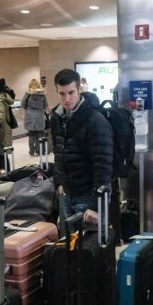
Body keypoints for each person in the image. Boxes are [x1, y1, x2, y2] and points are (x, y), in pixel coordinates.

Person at [51, 69, 113, 226]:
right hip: (66, 194)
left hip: (88, 196)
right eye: (62, 93)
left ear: (79, 89)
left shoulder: (94, 119)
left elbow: (103, 165)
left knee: (87, 247)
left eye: (71, 92)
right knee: (67, 245)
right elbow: (58, 152)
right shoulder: (57, 117)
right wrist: (58, 182)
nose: (67, 99)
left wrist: (95, 205)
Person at [22, 78, 48, 156]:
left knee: (31, 135)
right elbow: (45, 105)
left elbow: (23, 103)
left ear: (30, 85)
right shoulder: (42, 94)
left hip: (29, 115)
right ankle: (39, 151)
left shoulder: (28, 93)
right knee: (39, 134)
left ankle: (32, 152)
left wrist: (28, 108)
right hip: (39, 115)